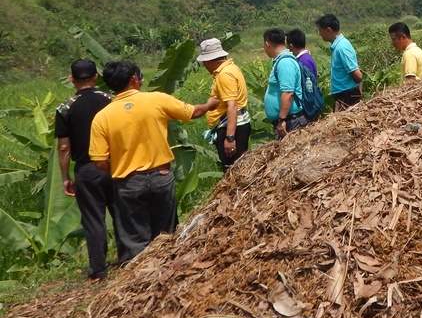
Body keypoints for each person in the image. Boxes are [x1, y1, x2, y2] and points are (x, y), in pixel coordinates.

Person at [89, 61, 213, 264]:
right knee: (165, 235)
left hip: (128, 183)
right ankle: (168, 272)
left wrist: (125, 163)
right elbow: (194, 112)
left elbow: (100, 162)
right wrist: (210, 105)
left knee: (135, 240)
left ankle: (139, 280)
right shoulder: (156, 100)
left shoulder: (102, 117)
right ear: (134, 79)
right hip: (160, 177)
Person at [55, 59, 118, 282]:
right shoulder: (111, 101)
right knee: (120, 212)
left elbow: (64, 147)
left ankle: (99, 269)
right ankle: (128, 259)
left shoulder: (65, 108)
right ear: (95, 77)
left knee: (93, 219)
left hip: (87, 169)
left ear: (72, 80)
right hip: (115, 165)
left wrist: (65, 177)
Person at [196, 38, 250, 172]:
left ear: (207, 61)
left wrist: (230, 138)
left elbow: (232, 105)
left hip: (232, 127)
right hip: (233, 125)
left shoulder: (225, 74)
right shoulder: (230, 68)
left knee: (232, 171)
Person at [263, 28, 308, 138]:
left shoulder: (285, 63)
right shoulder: (281, 61)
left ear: (267, 44)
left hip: (290, 121)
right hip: (288, 120)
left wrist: (282, 119)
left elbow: (288, 93)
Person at [316, 14, 363, 109]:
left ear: (328, 30)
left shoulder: (342, 47)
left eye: (320, 30)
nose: (319, 34)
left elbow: (358, 75)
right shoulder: (337, 46)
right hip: (343, 95)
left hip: (347, 96)